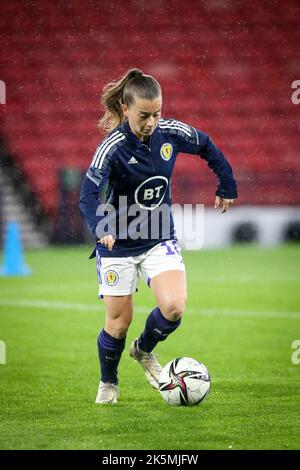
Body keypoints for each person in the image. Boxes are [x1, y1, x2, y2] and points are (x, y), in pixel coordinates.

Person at [79, 68, 238, 404]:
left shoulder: (170, 132)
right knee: (118, 324)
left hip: (157, 236)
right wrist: (101, 226)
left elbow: (206, 144)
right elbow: (88, 195)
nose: (151, 122)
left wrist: (226, 183)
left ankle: (144, 350)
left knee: (174, 307)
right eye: (143, 116)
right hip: (117, 244)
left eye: (157, 114)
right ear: (125, 109)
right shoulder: (112, 146)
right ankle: (108, 383)